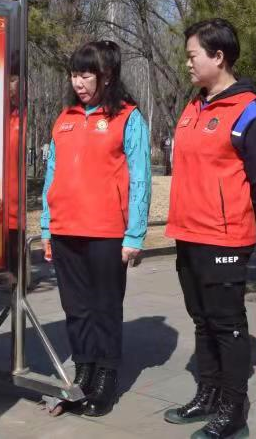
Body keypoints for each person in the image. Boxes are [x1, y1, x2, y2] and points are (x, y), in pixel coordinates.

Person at [164, 18, 256, 439]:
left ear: (218, 56)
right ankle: (207, 396)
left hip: (224, 237)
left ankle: (233, 410)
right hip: (188, 233)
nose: (187, 62)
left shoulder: (250, 109)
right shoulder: (194, 106)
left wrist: (234, 213)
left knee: (227, 325)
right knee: (201, 320)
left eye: (193, 55)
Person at [40, 40, 151, 417]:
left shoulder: (128, 117)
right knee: (75, 308)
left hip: (107, 232)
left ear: (108, 76)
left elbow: (140, 177)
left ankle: (105, 377)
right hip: (65, 229)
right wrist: (46, 225)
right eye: (74, 74)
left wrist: (134, 234)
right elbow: (52, 173)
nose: (79, 82)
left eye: (86, 75)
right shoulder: (65, 118)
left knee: (104, 307)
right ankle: (83, 370)